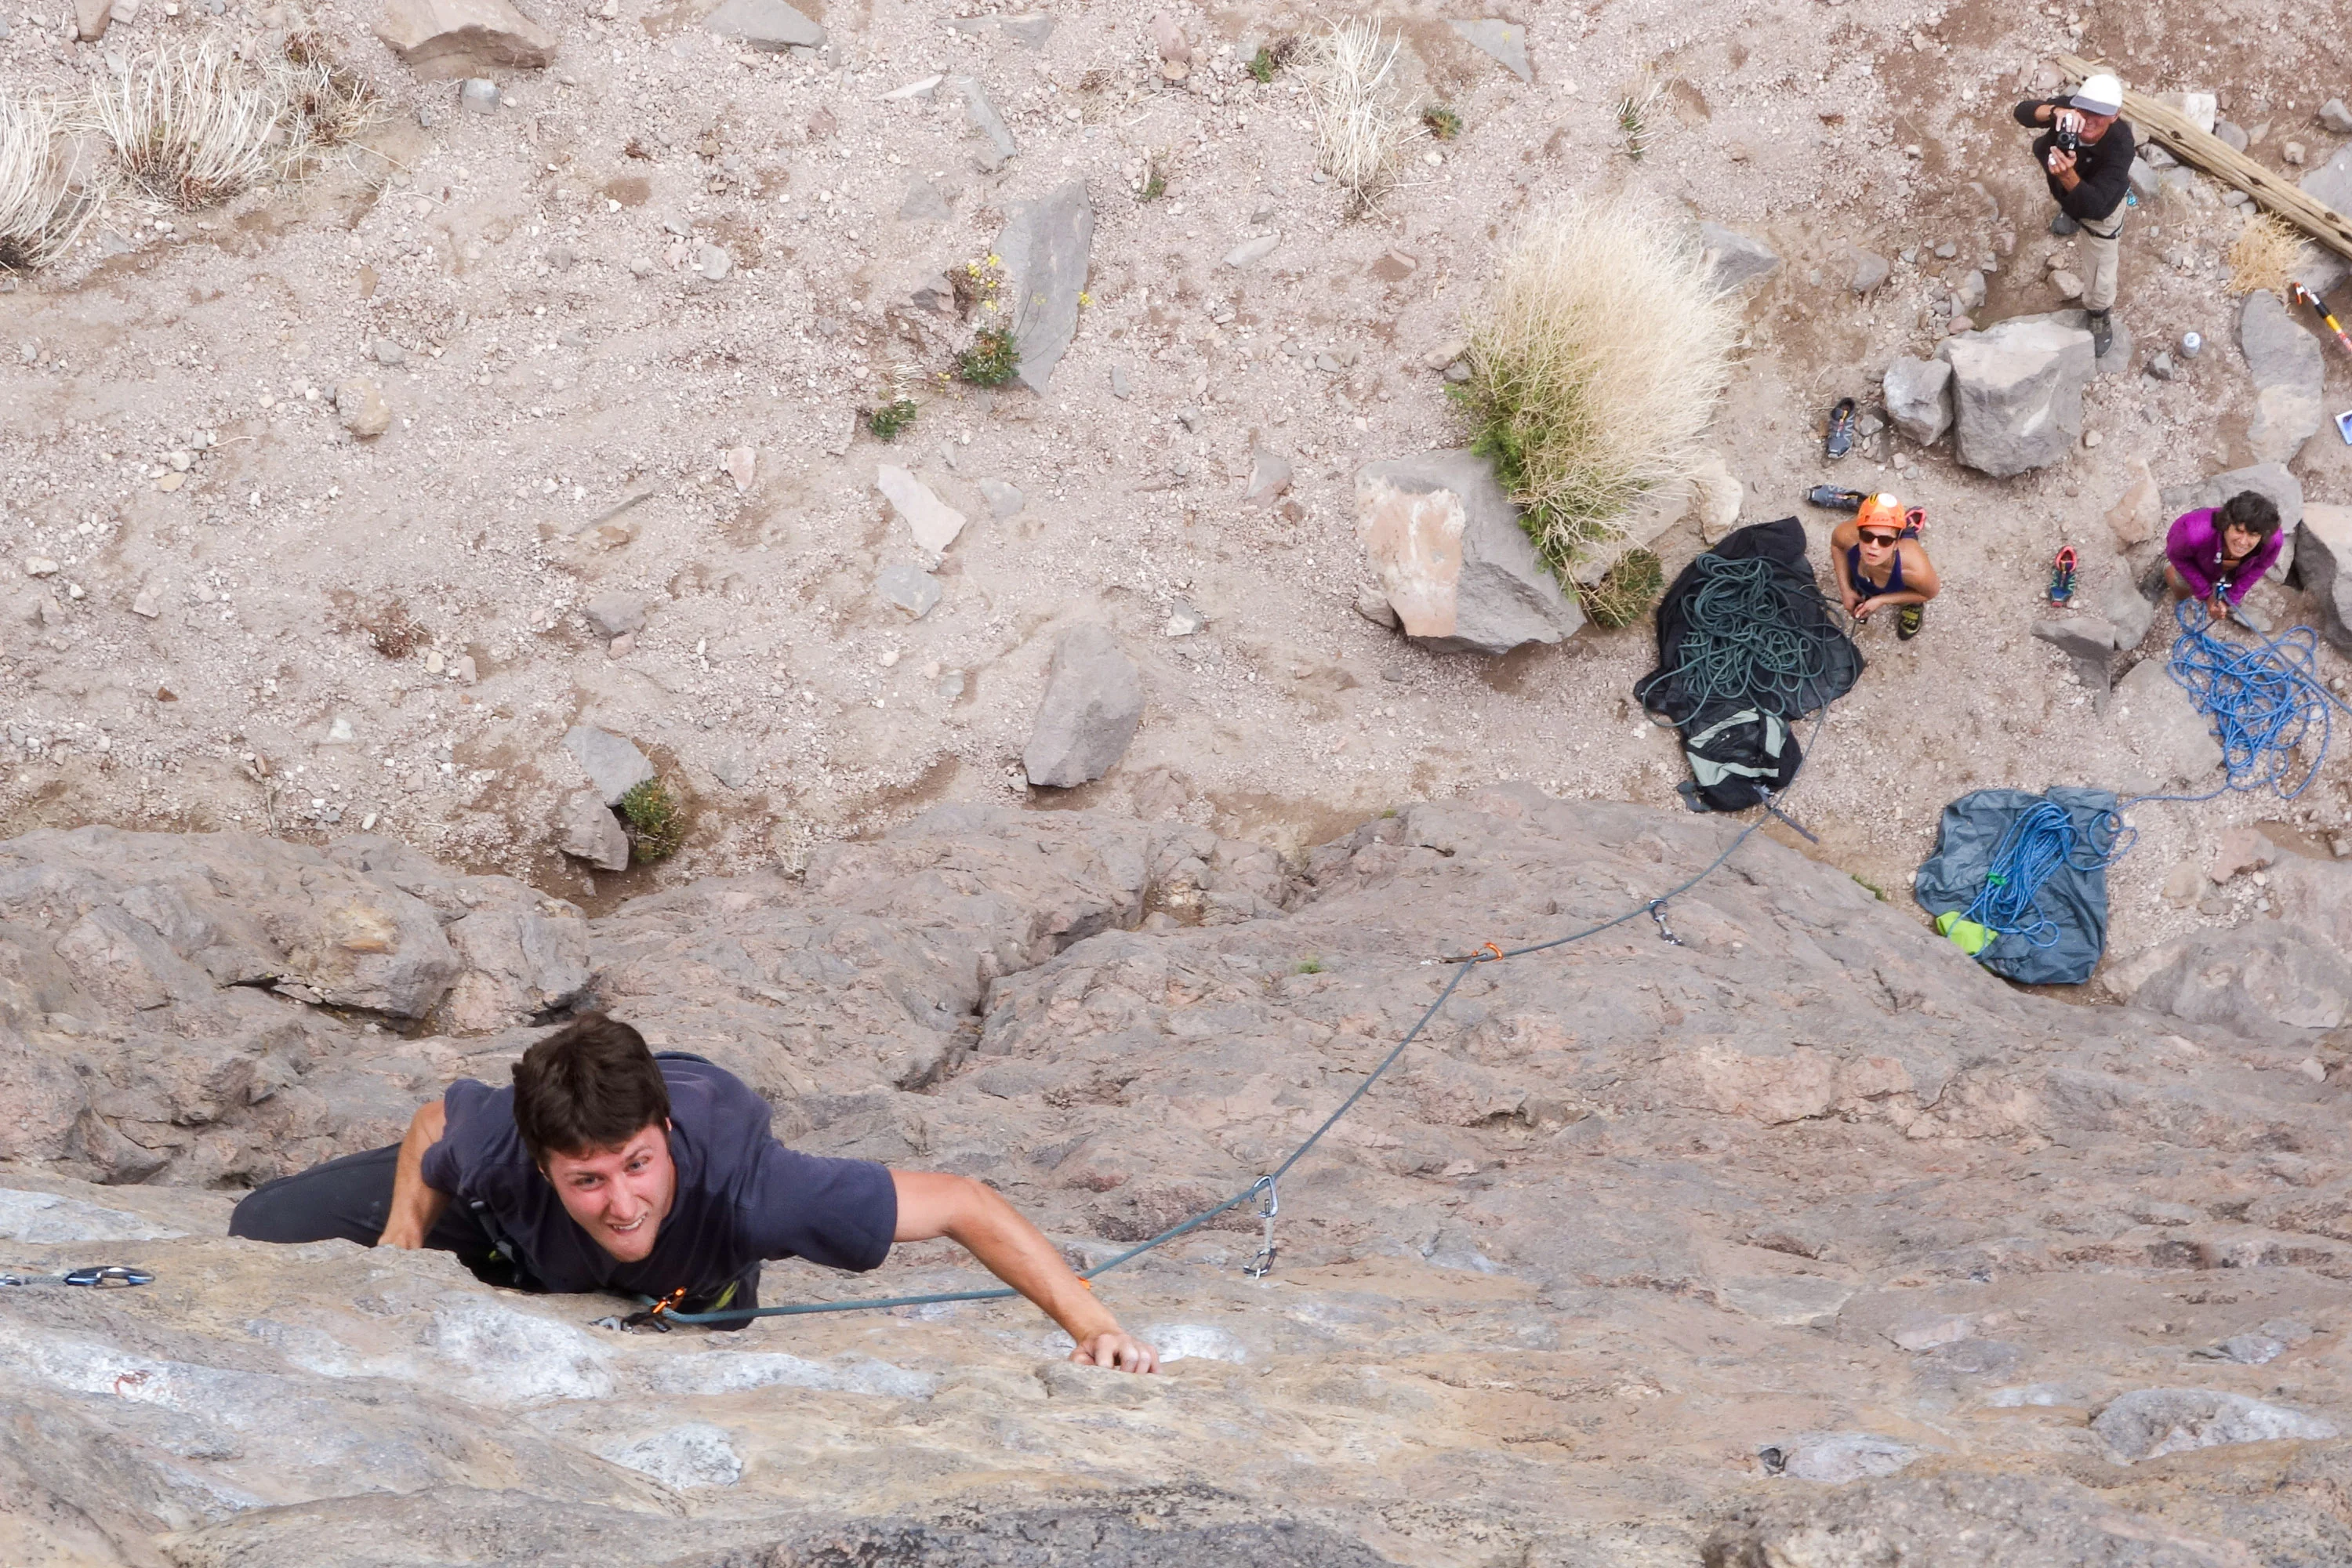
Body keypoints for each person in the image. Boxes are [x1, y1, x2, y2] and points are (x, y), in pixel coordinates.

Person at [230, 1014, 1159, 1372]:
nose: (622, 1198)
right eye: (587, 1178)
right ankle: (521, 1257)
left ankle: (689, 1285)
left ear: (666, 1135)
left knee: (686, 1319)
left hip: (697, 1267)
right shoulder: (503, 1146)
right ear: (545, 1160)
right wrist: (402, 1243)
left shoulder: (758, 1190)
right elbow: (436, 1120)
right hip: (506, 1225)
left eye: (636, 1164)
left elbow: (963, 1200)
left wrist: (1094, 1326)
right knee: (263, 1224)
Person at [2013, 73, 2135, 358]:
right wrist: (2056, 112)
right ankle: (2068, 211)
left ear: (2115, 116)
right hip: (2066, 186)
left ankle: (2098, 311)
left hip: (2101, 207)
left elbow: (2097, 207)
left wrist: (2068, 175)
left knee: (2101, 268)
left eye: (2100, 115)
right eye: (2084, 110)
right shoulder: (2070, 110)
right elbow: (2022, 112)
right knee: (2069, 200)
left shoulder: (2121, 146)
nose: (2089, 119)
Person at [2155, 490, 2283, 625]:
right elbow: (2177, 555)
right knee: (2182, 587)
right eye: (2239, 531)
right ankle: (2165, 567)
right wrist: (2206, 594)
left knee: (2225, 573)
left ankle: (2219, 579)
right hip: (2198, 555)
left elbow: (2259, 568)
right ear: (2227, 523)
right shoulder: (2192, 535)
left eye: (2253, 535)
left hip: (2228, 560)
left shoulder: (2273, 541)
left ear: (2262, 536)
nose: (2243, 542)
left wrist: (2231, 599)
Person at [1830, 493, 1940, 641]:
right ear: (1859, 532)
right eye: (1867, 537)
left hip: (1900, 574)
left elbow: (1928, 594)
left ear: (1896, 544)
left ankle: (1913, 604)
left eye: (1885, 540)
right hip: (1870, 571)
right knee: (1860, 578)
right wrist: (1846, 590)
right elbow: (1836, 546)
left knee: (1913, 593)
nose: (1873, 547)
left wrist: (1882, 600)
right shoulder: (1847, 535)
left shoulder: (1914, 570)